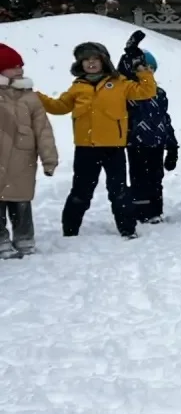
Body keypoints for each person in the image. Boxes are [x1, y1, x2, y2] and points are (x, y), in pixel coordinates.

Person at [39, 35, 155, 239]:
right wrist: (35, 96)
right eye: (86, 60)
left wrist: (141, 70)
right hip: (86, 148)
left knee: (119, 191)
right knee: (81, 191)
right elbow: (59, 107)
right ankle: (70, 231)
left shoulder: (119, 83)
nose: (90, 63)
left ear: (104, 61)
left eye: (95, 59)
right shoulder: (78, 86)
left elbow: (146, 91)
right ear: (80, 63)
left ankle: (127, 228)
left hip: (114, 147)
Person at [0, 43, 57, 257]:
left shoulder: (30, 98)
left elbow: (43, 130)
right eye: (12, 66)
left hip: (22, 160)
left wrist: (49, 159)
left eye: (20, 65)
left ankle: (24, 238)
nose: (19, 70)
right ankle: (1, 241)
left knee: (21, 201)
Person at [120, 48, 178, 224]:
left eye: (151, 68)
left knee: (156, 177)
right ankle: (141, 212)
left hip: (156, 143)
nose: (148, 71)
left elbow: (165, 119)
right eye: (143, 68)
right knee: (139, 178)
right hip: (136, 143)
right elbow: (119, 75)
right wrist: (128, 57)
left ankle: (156, 210)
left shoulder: (159, 94)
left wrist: (172, 146)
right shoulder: (128, 92)